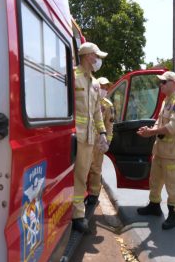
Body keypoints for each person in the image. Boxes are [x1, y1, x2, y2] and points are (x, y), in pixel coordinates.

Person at [136, 71, 175, 230]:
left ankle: (174, 215)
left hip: (172, 153)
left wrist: (151, 133)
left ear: (173, 82)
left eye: (164, 82)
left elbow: (172, 128)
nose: (161, 85)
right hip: (160, 150)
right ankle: (154, 206)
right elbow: (160, 123)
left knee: (172, 185)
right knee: (155, 180)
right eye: (160, 82)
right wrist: (150, 128)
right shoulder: (167, 101)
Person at [73, 42, 108, 233]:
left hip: (87, 139)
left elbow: (97, 113)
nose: (97, 60)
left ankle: (78, 215)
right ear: (87, 56)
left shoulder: (95, 83)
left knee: (81, 175)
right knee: (69, 176)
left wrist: (102, 133)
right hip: (70, 137)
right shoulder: (72, 76)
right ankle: (70, 212)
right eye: (96, 56)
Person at [86, 77, 114, 205]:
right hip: (85, 139)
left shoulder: (108, 105)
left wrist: (107, 142)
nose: (104, 90)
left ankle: (94, 194)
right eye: (102, 87)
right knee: (83, 168)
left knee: (96, 169)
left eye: (106, 88)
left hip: (98, 142)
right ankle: (83, 193)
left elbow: (109, 126)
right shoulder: (88, 99)